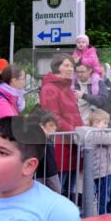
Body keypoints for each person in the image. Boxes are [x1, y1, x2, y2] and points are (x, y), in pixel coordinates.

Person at [39, 55, 83, 203]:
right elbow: (53, 118)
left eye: (71, 65)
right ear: (57, 67)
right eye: (66, 65)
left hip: (71, 144)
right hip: (60, 146)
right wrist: (75, 131)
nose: (70, 68)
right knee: (59, 192)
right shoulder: (50, 88)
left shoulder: (67, 87)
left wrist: (81, 129)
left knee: (69, 190)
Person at [76, 109, 111, 215]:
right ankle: (103, 216)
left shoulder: (102, 133)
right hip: (101, 172)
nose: (107, 126)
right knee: (104, 198)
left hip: (109, 170)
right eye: (105, 123)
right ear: (96, 123)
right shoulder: (94, 135)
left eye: (107, 123)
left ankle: (108, 214)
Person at [28, 109, 61, 194]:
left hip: (52, 172)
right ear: (42, 126)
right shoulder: (36, 138)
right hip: (39, 173)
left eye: (55, 126)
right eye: (51, 125)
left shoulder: (51, 139)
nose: (54, 128)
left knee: (57, 192)